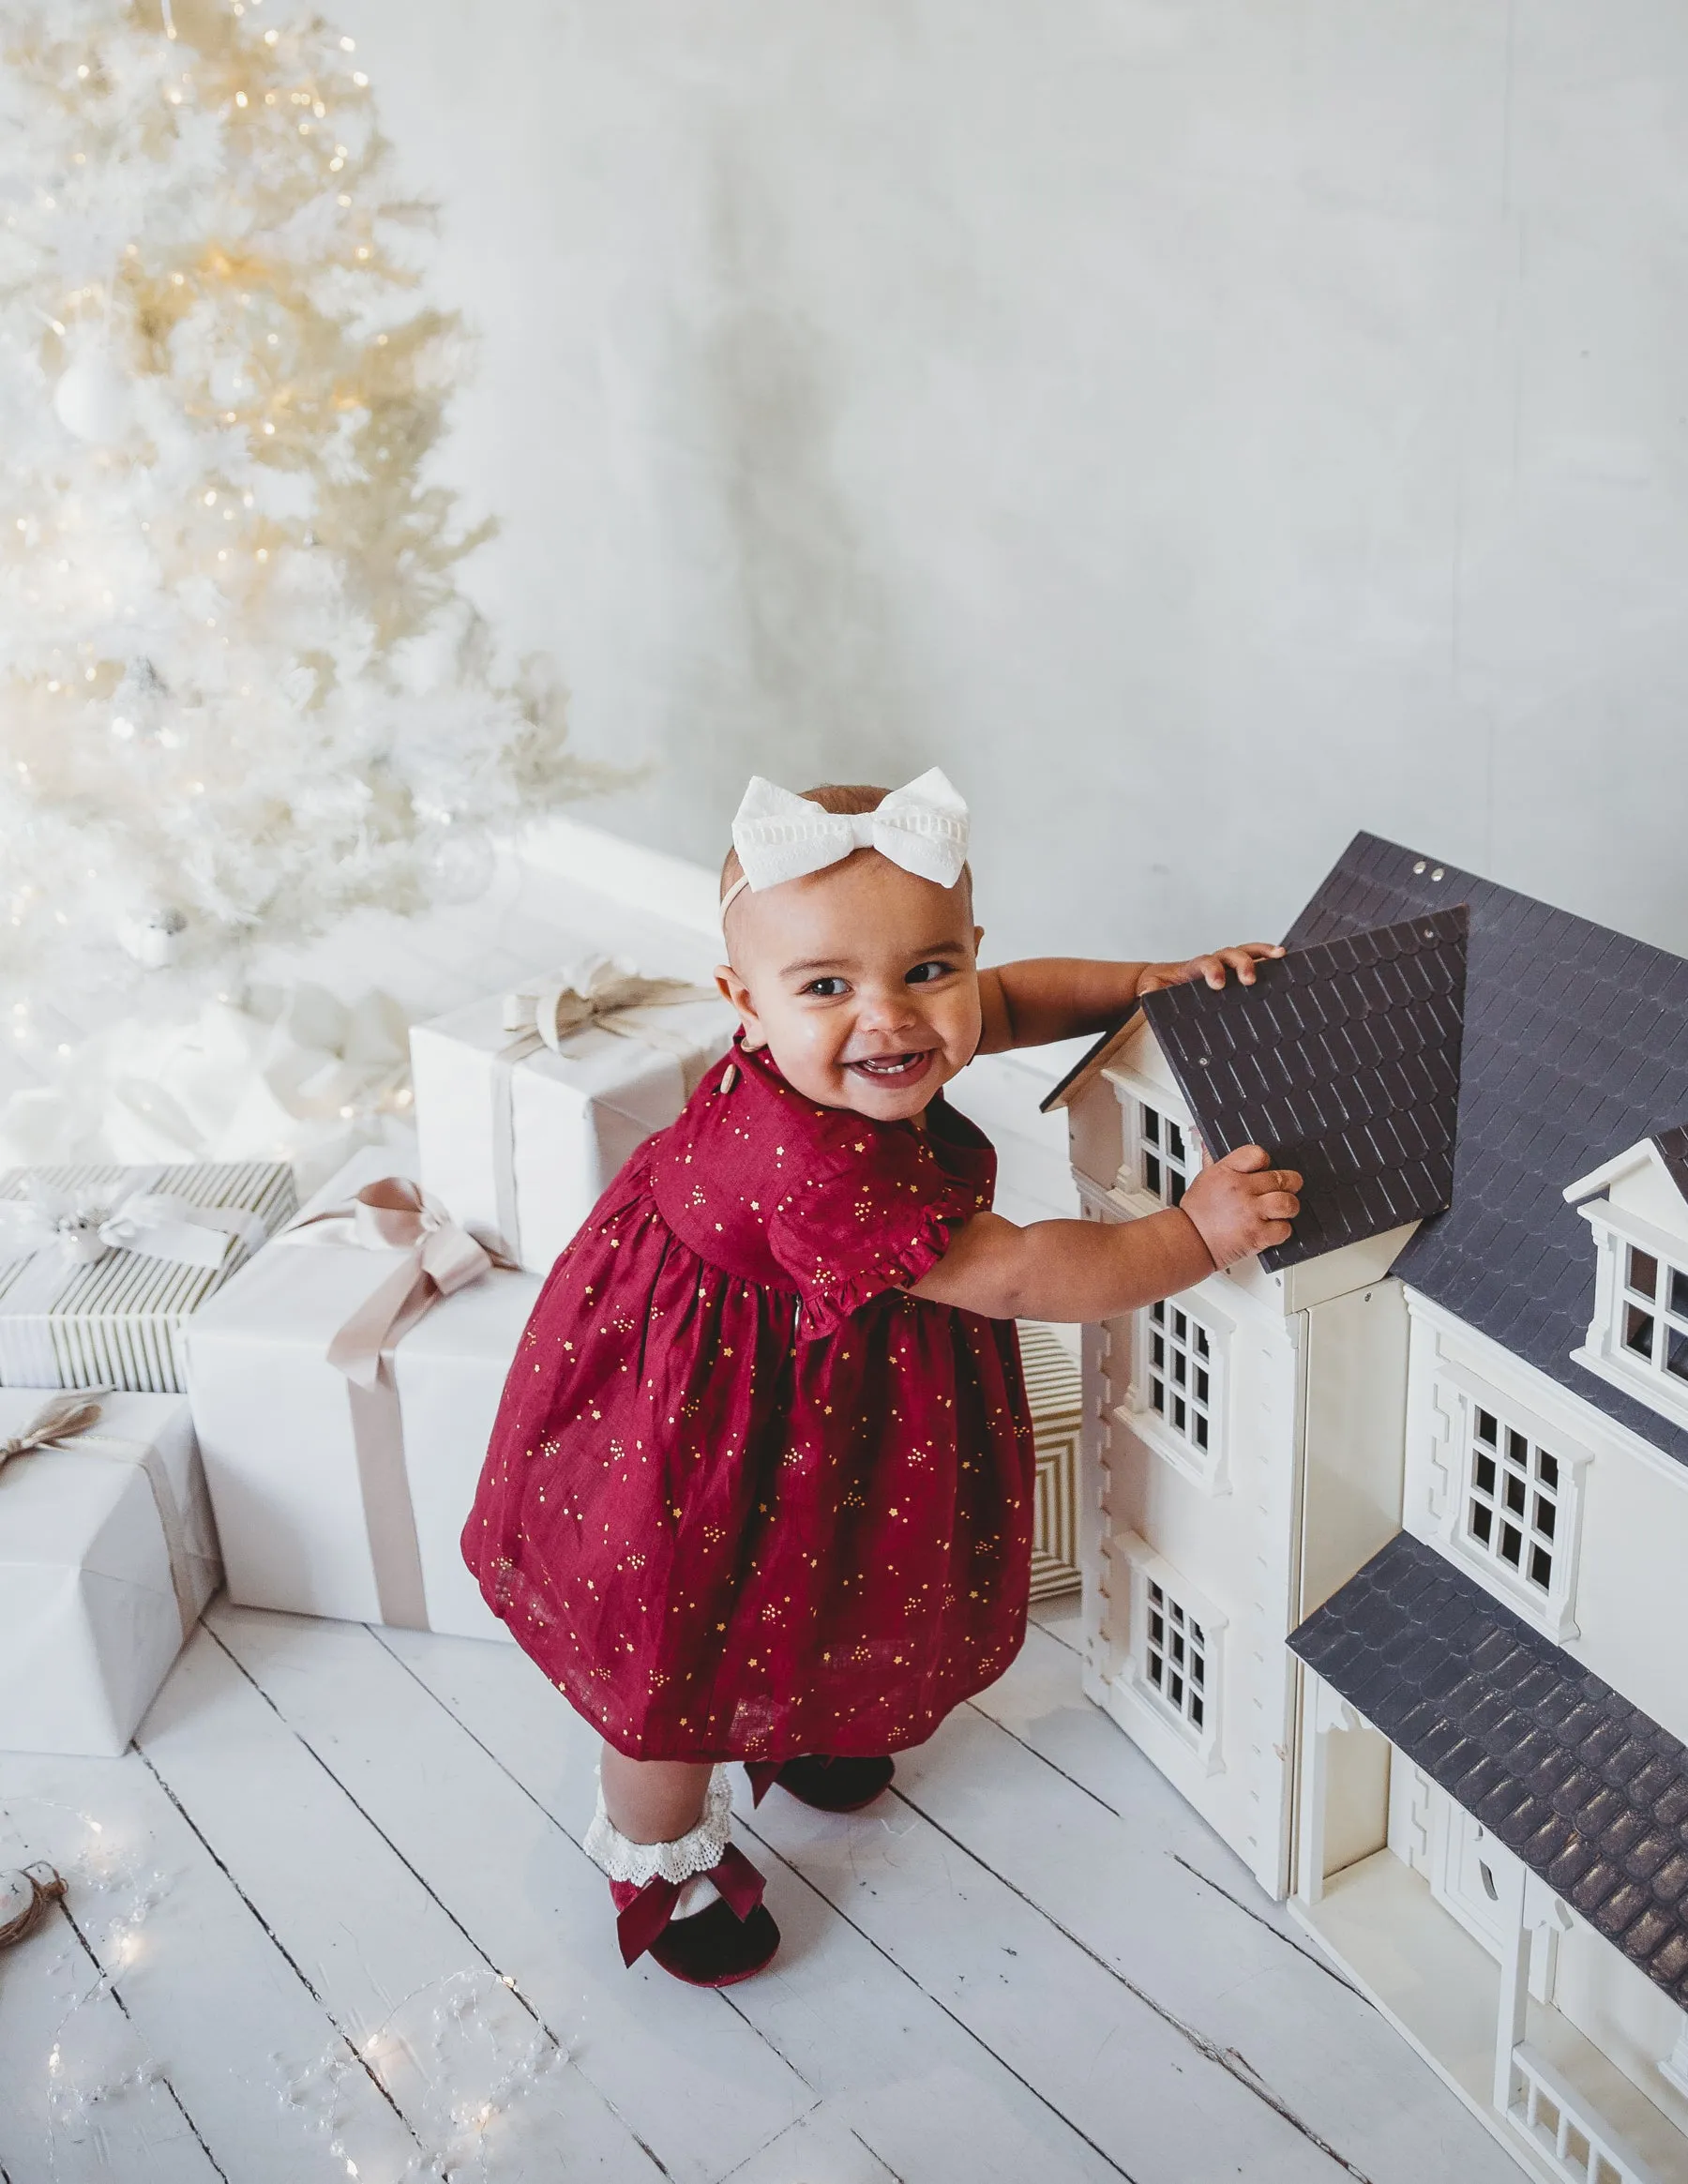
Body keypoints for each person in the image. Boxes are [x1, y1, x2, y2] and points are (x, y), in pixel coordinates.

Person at [461, 771, 1301, 1987]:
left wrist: (1142, 987)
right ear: (741, 1004)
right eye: (826, 988)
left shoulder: (877, 1040)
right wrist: (1196, 1236)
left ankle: (810, 1725)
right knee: (684, 1647)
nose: (892, 1019)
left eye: (927, 970)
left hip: (816, 1377)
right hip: (709, 1432)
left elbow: (1005, 1004)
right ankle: (658, 1850)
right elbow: (1018, 1276)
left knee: (827, 1570)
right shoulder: (816, 1167)